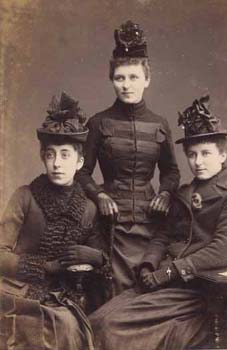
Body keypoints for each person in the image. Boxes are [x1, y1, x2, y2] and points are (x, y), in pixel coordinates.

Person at [89, 95, 227, 350]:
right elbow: (162, 235)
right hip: (164, 281)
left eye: (206, 153)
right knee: (95, 320)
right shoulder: (183, 192)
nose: (198, 162)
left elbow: (222, 249)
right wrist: (148, 265)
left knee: (112, 328)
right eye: (192, 155)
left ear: (223, 155)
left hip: (195, 289)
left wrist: (171, 271)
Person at [76, 20, 180, 296]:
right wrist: (99, 196)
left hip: (152, 223)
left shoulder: (160, 124)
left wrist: (167, 193)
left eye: (133, 77)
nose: (126, 85)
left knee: (150, 289)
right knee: (115, 292)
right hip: (112, 226)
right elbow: (81, 172)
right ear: (112, 80)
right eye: (120, 78)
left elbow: (171, 171)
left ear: (147, 79)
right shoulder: (98, 122)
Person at [0, 92, 108, 350]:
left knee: (69, 328)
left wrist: (94, 256)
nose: (57, 163)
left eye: (65, 155)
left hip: (62, 296)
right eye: (50, 155)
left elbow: (103, 260)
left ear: (80, 161)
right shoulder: (25, 196)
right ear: (43, 157)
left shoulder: (88, 208)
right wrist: (45, 267)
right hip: (18, 290)